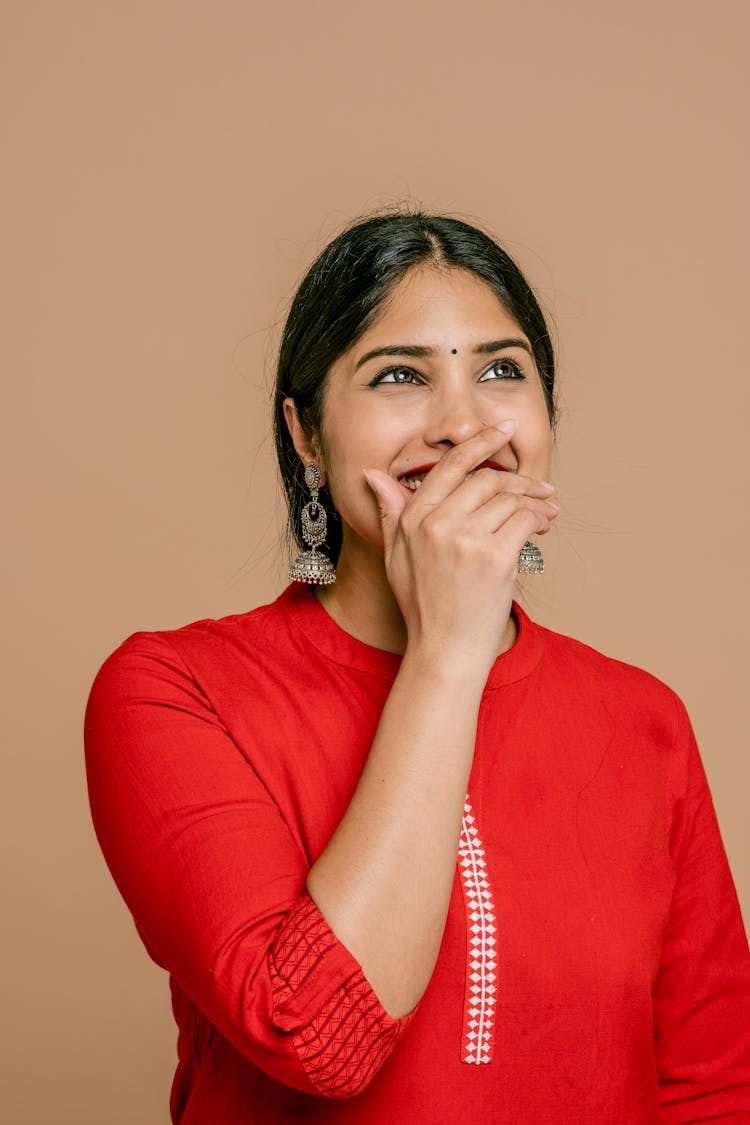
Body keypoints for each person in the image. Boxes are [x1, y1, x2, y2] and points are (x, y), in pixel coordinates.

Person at [84, 212, 750, 1123]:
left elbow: (711, 1089)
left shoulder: (645, 722)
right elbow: (315, 1033)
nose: (463, 422)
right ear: (305, 433)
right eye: (400, 374)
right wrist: (446, 651)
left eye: (501, 370)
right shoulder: (176, 690)